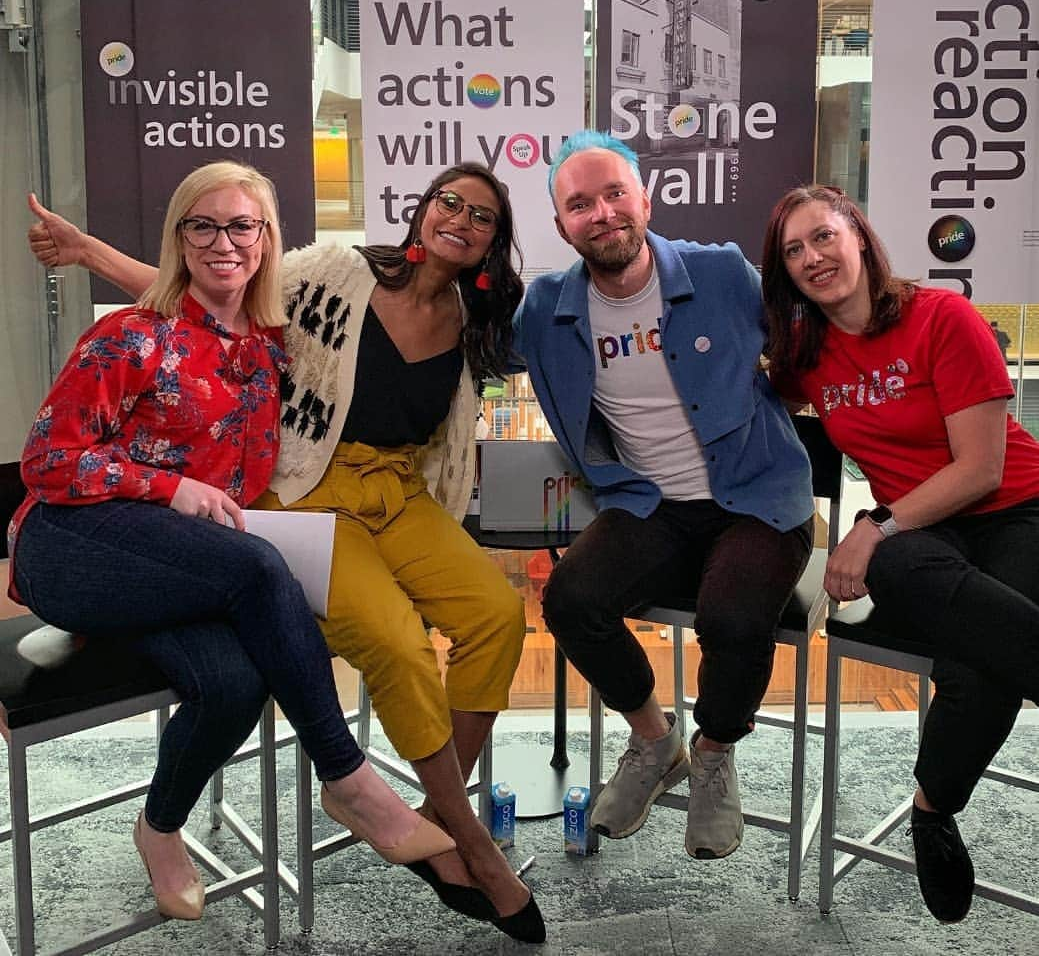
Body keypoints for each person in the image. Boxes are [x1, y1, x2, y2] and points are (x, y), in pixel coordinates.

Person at [26, 162, 543, 943]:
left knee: (236, 682)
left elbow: (223, 284)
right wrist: (88, 253)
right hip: (91, 533)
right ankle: (355, 779)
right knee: (275, 575)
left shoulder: (262, 344)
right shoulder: (149, 327)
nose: (225, 243)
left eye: (481, 215)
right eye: (203, 226)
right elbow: (53, 453)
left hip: (225, 541)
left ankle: (163, 825)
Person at [512, 130, 815, 860]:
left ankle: (714, 753)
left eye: (614, 192)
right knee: (569, 599)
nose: (602, 212)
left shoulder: (722, 274)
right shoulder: (545, 310)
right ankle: (655, 741)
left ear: (645, 198)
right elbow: (461, 341)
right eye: (579, 204)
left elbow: (812, 340)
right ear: (561, 227)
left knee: (733, 616)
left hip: (757, 498)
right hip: (647, 502)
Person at [760, 183, 1039, 924]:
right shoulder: (805, 354)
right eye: (793, 250)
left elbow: (979, 469)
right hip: (923, 536)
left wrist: (872, 525)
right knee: (897, 566)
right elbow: (753, 399)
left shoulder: (940, 316)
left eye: (822, 236)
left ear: (857, 234)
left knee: (978, 665)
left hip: (1016, 509)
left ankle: (930, 807)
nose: (812, 257)